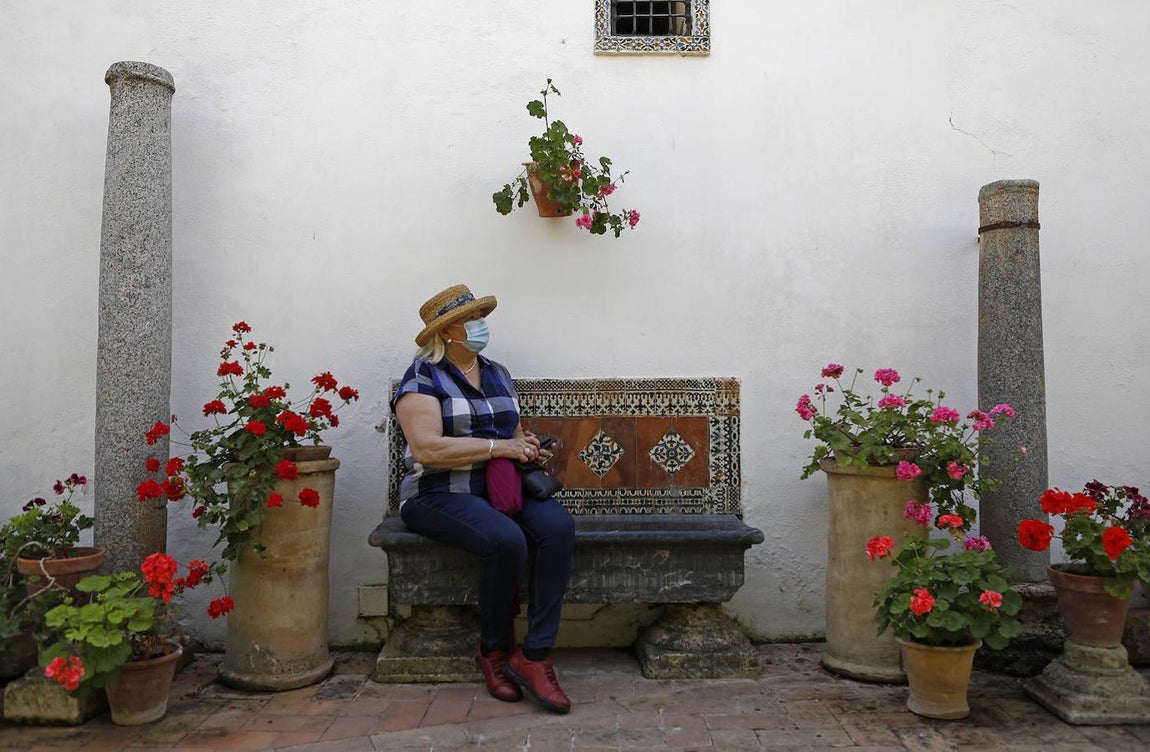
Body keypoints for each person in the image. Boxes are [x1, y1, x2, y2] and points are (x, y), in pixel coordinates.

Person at [390, 284, 576, 714]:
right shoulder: (421, 377)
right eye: (470, 320)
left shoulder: (497, 371)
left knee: (558, 529)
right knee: (506, 539)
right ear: (448, 332)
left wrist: (524, 444)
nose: (480, 326)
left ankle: (534, 656)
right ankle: (493, 651)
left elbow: (509, 432)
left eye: (480, 317)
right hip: (438, 491)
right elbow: (426, 449)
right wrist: (499, 449)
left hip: (500, 486)